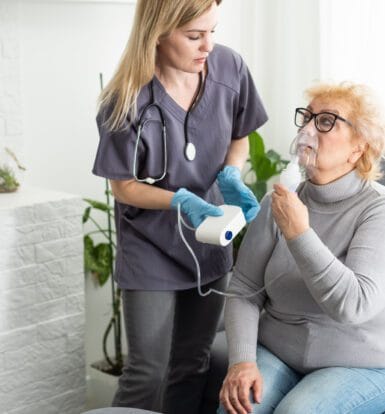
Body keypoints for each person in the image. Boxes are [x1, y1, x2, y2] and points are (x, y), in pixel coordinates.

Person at [92, 0, 268, 412]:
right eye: (194, 36)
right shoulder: (125, 98)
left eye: (213, 32)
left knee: (193, 363)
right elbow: (123, 186)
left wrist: (231, 174)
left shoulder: (229, 68)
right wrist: (180, 200)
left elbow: (240, 133)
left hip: (209, 238)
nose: (207, 45)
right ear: (158, 32)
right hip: (149, 244)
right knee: (146, 371)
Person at [218, 82, 385, 414]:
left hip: (360, 362)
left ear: (358, 148)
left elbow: (355, 305)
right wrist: (242, 362)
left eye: (326, 121)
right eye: (307, 118)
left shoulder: (376, 211)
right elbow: (245, 288)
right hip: (279, 351)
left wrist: (300, 234)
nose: (308, 130)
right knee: (238, 409)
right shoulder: (278, 202)